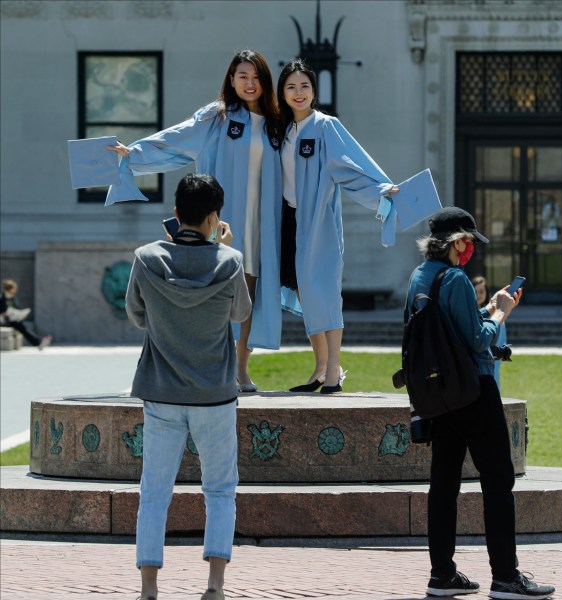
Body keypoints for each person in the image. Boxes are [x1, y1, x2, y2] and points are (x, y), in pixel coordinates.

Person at [107, 49, 283, 393]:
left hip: (263, 219)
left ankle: (241, 370)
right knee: (219, 292)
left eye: (256, 76)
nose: (250, 83)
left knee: (249, 291)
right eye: (242, 76)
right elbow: (176, 137)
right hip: (221, 216)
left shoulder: (275, 122)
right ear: (231, 80)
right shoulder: (216, 117)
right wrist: (136, 152)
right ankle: (217, 367)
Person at [407, 207, 554, 599]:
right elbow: (476, 341)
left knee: (444, 482)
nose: (471, 248)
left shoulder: (420, 276)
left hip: (439, 394)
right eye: (468, 241)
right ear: (455, 241)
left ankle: (442, 575)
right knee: (497, 479)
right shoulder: (454, 277)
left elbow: (454, 326)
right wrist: (501, 313)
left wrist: (487, 309)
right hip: (473, 389)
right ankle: (505, 575)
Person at [125, 173, 251, 600]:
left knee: (154, 492)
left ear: (176, 214)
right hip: (215, 391)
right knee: (219, 489)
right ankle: (214, 584)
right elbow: (239, 314)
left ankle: (148, 588)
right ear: (214, 217)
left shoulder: (145, 258)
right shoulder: (230, 261)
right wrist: (223, 246)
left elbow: (137, 316)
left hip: (161, 389)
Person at [276, 59, 398, 393]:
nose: (298, 93)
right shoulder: (283, 130)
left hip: (318, 220)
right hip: (287, 220)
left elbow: (351, 164)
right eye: (291, 87)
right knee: (305, 292)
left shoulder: (325, 126)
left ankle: (334, 371)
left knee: (325, 291)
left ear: (314, 90)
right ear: (282, 93)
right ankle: (320, 368)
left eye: (304, 86)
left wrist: (381, 189)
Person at [470, 274, 507, 387]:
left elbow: (500, 344)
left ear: (487, 294)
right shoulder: (467, 317)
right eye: (475, 292)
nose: (478, 295)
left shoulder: (495, 318)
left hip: (490, 368)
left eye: (481, 292)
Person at [0, 279, 51, 349]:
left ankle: (38, 341)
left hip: (12, 320)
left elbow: (17, 309)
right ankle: (38, 342)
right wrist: (6, 314)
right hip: (4, 321)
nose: (14, 291)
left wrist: (21, 315)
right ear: (8, 289)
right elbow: (2, 312)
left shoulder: (13, 298)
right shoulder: (2, 298)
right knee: (21, 326)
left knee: (20, 325)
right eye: (13, 290)